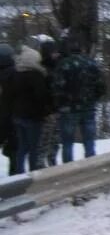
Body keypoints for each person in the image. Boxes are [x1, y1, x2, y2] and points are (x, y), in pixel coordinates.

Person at [53, 36, 106, 163]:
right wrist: (93, 98)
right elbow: (101, 86)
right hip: (88, 107)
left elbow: (57, 88)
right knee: (89, 141)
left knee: (67, 142)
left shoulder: (63, 65)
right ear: (81, 50)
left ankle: (69, 169)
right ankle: (91, 166)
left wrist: (60, 104)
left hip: (68, 109)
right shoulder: (91, 63)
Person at [9, 46, 53, 174]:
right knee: (34, 147)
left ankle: (19, 172)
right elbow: (41, 96)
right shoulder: (36, 75)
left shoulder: (16, 74)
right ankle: (34, 173)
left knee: (22, 147)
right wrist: (45, 111)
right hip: (32, 116)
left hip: (17, 115)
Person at [37, 37, 62, 167]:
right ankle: (41, 166)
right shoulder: (43, 70)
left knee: (55, 141)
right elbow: (42, 93)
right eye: (54, 52)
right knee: (45, 141)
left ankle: (52, 162)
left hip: (56, 109)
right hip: (48, 111)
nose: (57, 54)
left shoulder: (56, 67)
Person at [0, 44, 18, 175]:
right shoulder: (17, 73)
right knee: (14, 149)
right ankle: (14, 174)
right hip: (13, 115)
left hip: (4, 115)